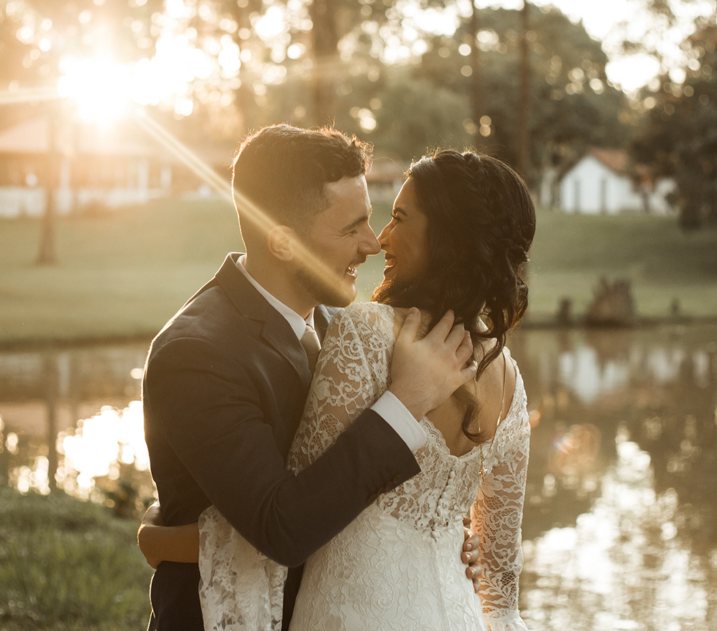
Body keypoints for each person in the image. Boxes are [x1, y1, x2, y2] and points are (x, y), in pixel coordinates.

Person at [142, 148, 536, 631]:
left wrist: (445, 535)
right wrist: (406, 401)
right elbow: (287, 522)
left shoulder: (351, 326)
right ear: (284, 242)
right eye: (353, 228)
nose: (374, 243)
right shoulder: (196, 351)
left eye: (381, 219)